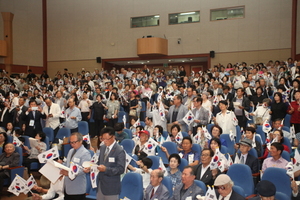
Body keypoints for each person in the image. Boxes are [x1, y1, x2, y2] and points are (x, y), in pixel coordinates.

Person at [94, 126, 125, 200]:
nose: (104, 141)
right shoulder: (102, 148)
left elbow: (120, 169)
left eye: (106, 139)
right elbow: (99, 162)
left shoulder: (119, 150)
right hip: (101, 186)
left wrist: (106, 169)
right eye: (102, 139)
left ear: (113, 137)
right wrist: (92, 167)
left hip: (112, 188)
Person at [60, 132, 91, 200]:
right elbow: (67, 164)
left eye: (74, 142)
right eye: (71, 142)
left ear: (81, 141)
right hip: (68, 187)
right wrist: (60, 165)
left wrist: (69, 173)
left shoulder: (85, 153)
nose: (72, 144)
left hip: (77, 188)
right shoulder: (70, 151)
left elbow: (84, 169)